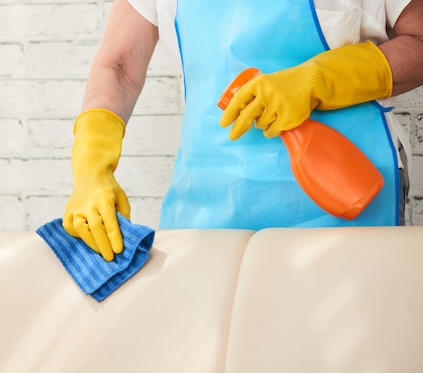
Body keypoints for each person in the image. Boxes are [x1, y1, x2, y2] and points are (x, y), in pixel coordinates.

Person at [62, 0, 423, 261]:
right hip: (208, 200)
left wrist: (319, 80)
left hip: (342, 196)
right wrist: (91, 166)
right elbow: (119, 65)